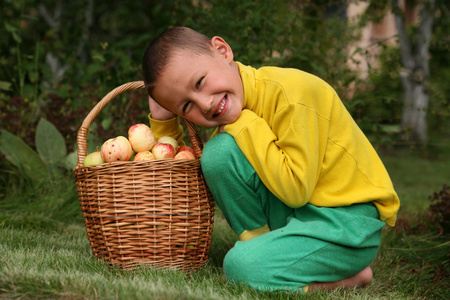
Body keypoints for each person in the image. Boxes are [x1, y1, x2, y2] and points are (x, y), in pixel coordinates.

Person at [142, 26, 400, 293]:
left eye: (199, 83)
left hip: (346, 225)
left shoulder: (292, 94)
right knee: (218, 154)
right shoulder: (236, 107)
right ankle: (264, 248)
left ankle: (345, 278)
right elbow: (186, 173)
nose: (204, 104)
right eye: (187, 107)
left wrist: (244, 123)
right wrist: (163, 123)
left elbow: (295, 190)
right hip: (302, 215)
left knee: (240, 268)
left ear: (223, 51)